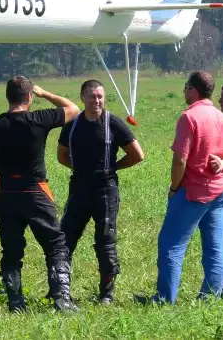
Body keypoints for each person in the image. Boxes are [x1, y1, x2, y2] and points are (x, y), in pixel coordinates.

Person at [0, 76, 80, 313]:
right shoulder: (39, 119)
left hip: (7, 193)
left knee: (11, 250)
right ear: (29, 97)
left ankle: (15, 303)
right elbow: (73, 109)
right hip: (35, 191)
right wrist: (45, 94)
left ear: (7, 97)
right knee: (55, 245)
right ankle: (62, 300)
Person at [137, 71, 223, 305]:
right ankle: (210, 298)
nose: (184, 91)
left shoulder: (189, 117)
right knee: (215, 248)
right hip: (221, 191)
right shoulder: (222, 118)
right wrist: (222, 164)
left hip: (194, 192)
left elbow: (180, 160)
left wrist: (174, 188)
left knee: (171, 245)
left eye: (186, 87)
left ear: (193, 90)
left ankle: (165, 299)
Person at [57, 79, 144, 304]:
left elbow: (137, 155)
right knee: (65, 239)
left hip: (106, 189)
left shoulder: (112, 123)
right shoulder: (72, 125)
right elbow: (62, 156)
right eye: (92, 96)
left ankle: (107, 294)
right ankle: (60, 291)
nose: (96, 101)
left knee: (105, 240)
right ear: (82, 97)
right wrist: (81, 169)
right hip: (79, 188)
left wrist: (113, 168)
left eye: (100, 97)